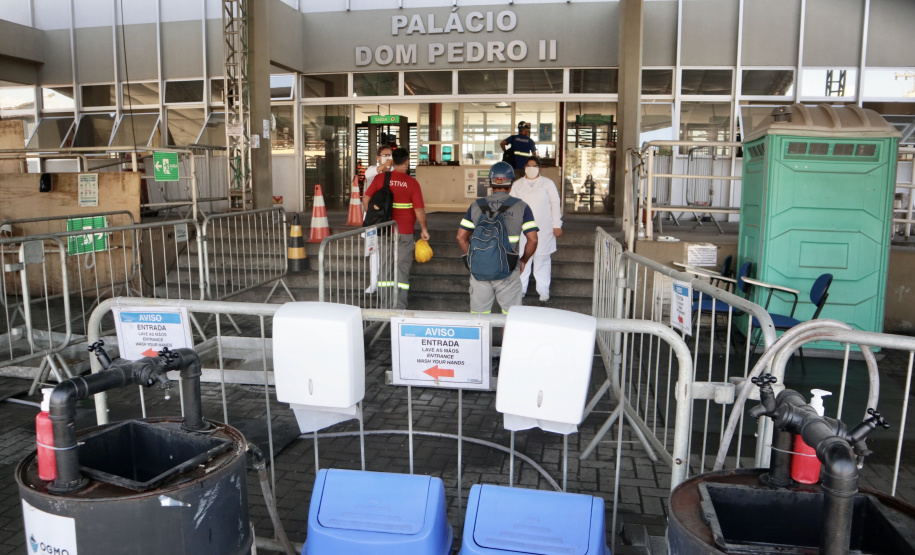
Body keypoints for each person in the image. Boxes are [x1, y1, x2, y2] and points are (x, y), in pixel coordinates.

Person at [456, 161, 539, 314]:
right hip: (508, 268)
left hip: (480, 270)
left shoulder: (476, 205)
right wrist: (524, 260)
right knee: (510, 317)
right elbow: (533, 239)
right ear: (511, 183)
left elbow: (461, 237)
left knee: (479, 318)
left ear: (490, 183)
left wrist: (475, 258)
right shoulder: (522, 207)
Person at [363, 147, 430, 309]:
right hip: (404, 233)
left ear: (392, 161)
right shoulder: (412, 183)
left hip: (384, 231)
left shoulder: (381, 178)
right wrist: (424, 229)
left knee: (385, 270)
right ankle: (399, 309)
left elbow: (366, 198)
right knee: (401, 270)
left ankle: (385, 307)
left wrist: (373, 218)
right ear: (407, 162)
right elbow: (419, 210)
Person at [510, 156, 563, 303]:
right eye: (529, 165)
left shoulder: (547, 184)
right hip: (522, 230)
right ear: (524, 168)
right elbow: (511, 207)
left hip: (544, 229)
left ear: (539, 168)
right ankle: (520, 290)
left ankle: (543, 291)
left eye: (534, 166)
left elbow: (555, 203)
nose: (531, 168)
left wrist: (557, 224)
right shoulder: (517, 185)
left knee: (542, 259)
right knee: (523, 259)